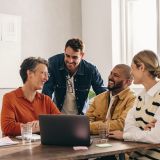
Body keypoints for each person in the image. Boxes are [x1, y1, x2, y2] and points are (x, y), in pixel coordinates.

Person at [109, 50, 160, 159]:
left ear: (141, 67)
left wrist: (125, 135)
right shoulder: (140, 96)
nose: (131, 73)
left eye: (132, 68)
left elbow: (156, 137)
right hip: (136, 156)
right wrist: (143, 132)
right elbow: (128, 127)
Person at [42, 38, 106, 115]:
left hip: (80, 116)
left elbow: (102, 94)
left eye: (74, 57)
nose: (70, 60)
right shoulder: (53, 63)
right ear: (64, 51)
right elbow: (47, 91)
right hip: (58, 114)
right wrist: (46, 116)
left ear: (82, 55)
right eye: (67, 56)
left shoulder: (91, 70)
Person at [1, 57, 61, 136]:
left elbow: (60, 122)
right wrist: (34, 127)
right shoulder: (9, 98)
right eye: (43, 73)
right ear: (29, 74)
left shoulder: (46, 100)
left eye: (47, 74)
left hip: (43, 146)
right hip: (20, 147)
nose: (46, 78)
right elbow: (7, 127)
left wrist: (40, 125)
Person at [86, 64, 136, 135]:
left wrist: (92, 127)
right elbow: (86, 121)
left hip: (121, 143)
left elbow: (121, 124)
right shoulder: (99, 98)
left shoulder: (133, 99)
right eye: (111, 73)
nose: (110, 77)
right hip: (97, 139)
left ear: (128, 82)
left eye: (116, 75)